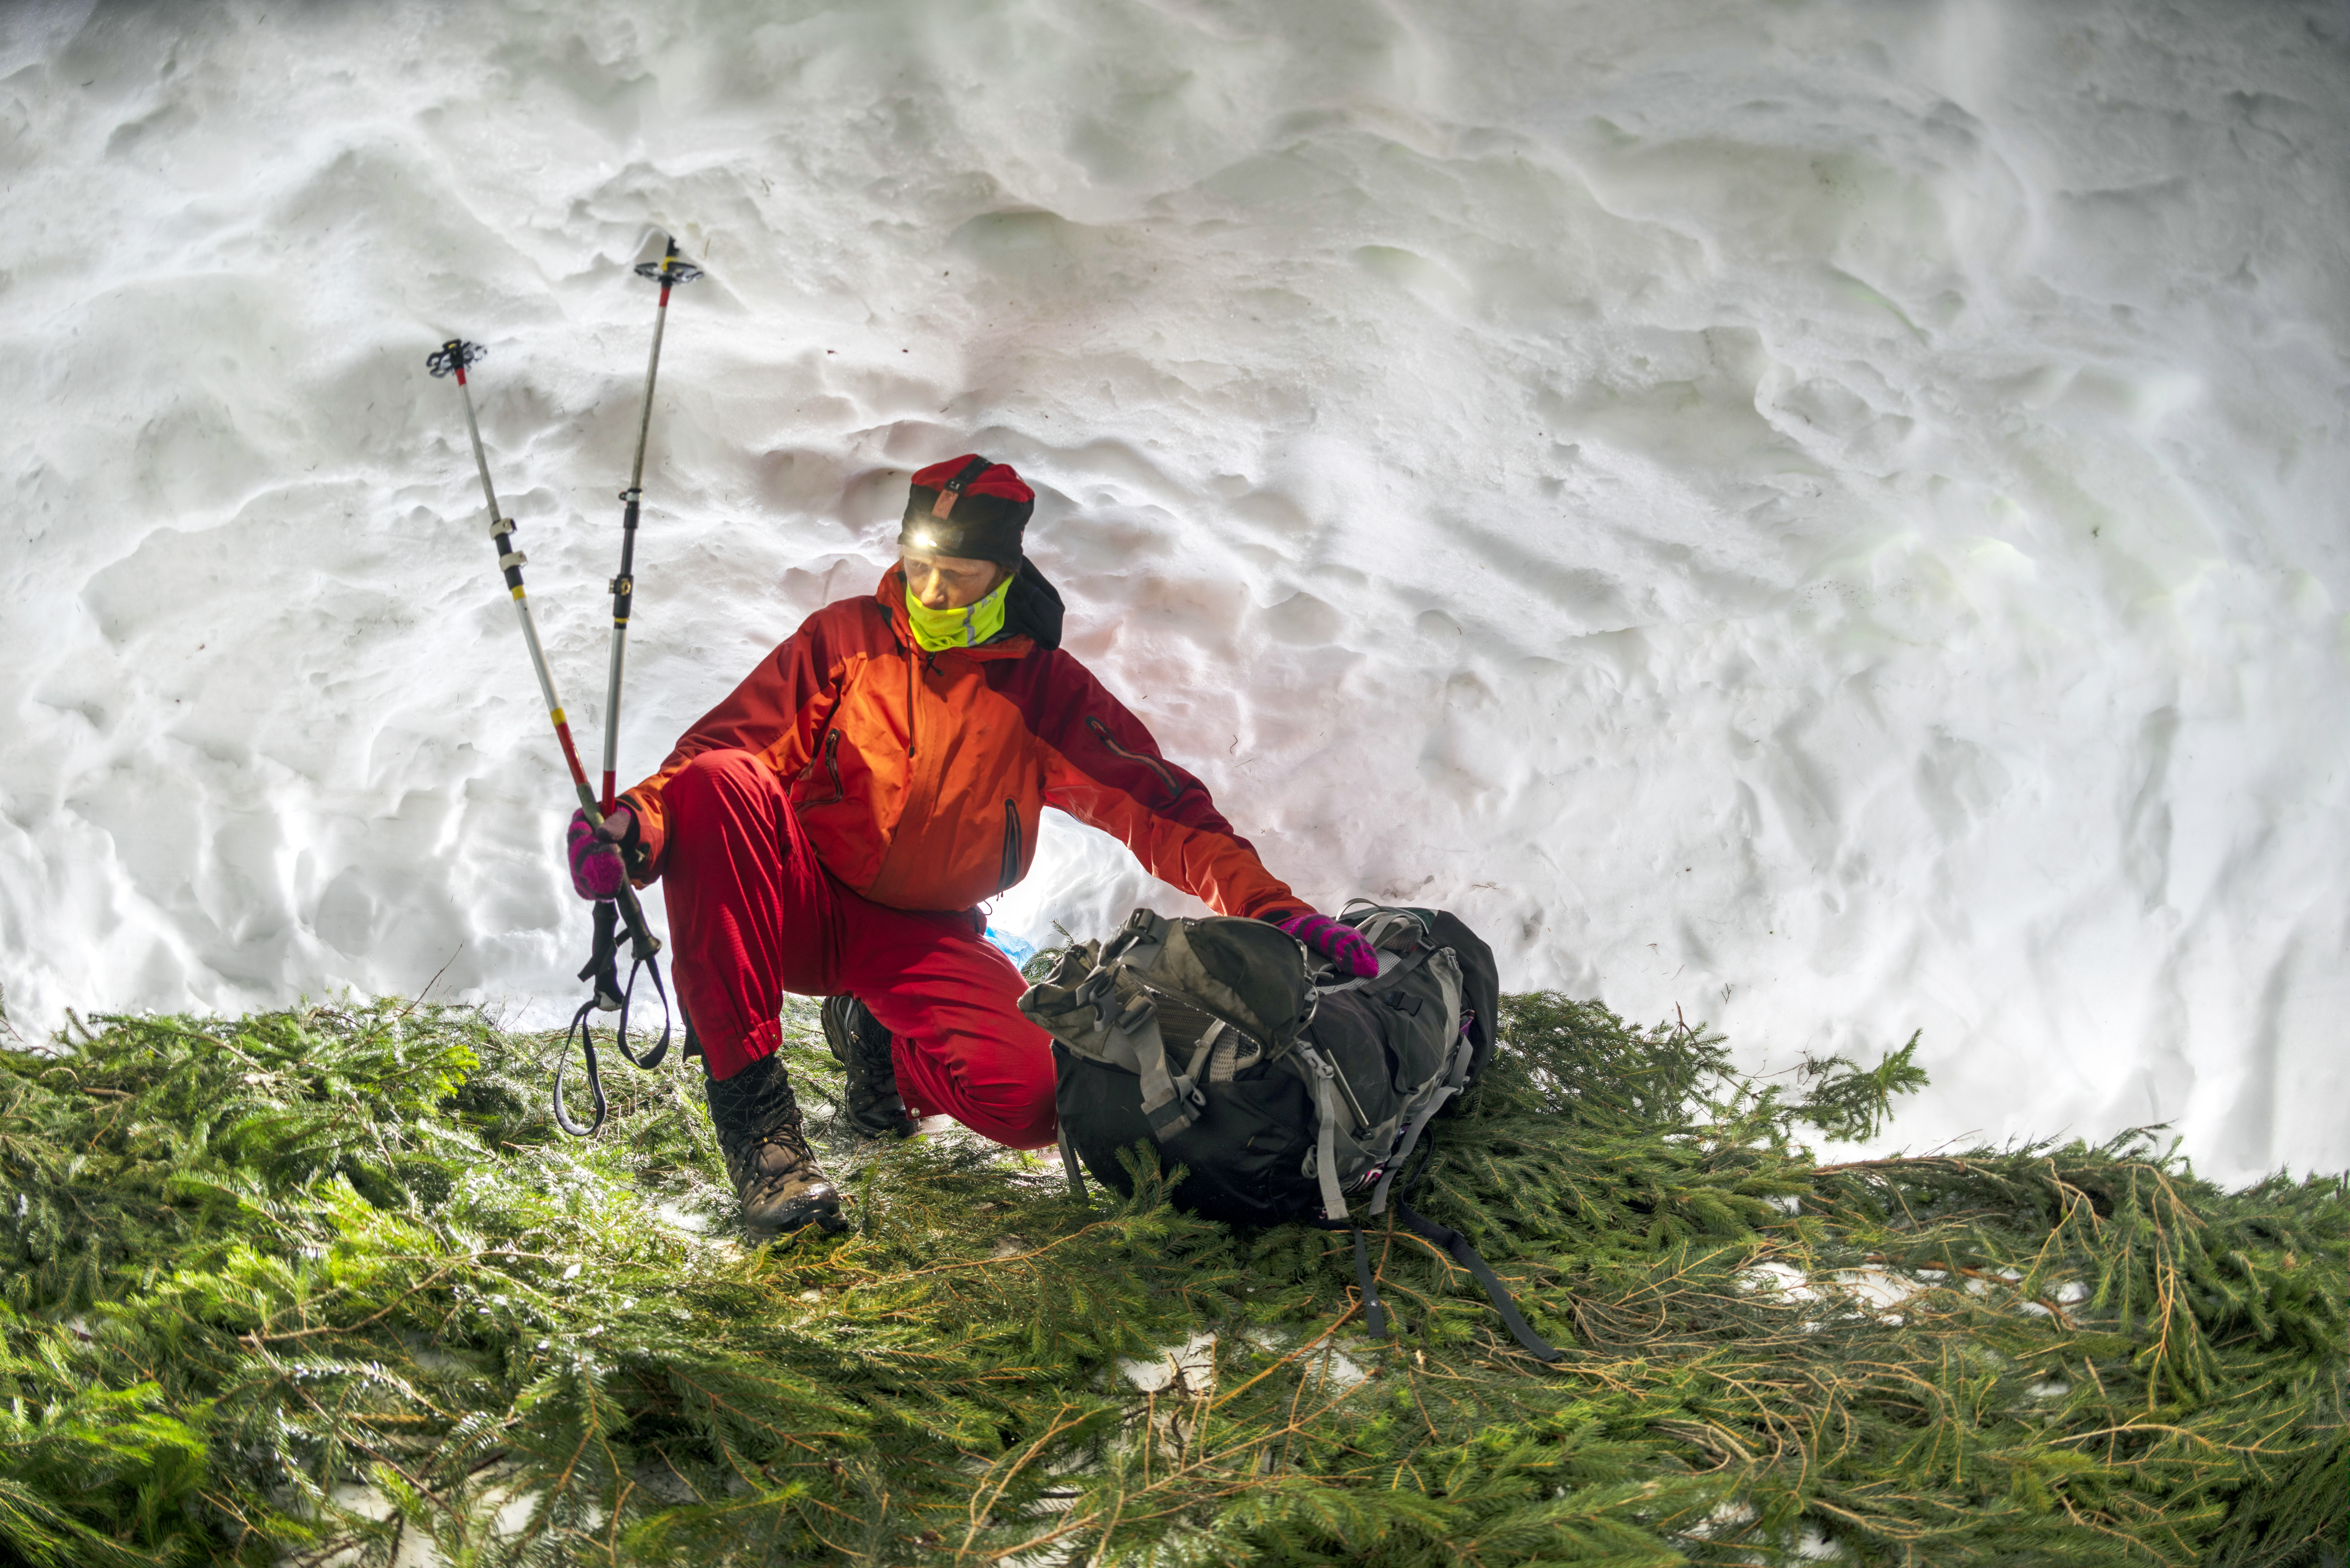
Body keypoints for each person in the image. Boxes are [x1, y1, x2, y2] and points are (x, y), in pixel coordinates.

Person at [565, 455, 1376, 1233]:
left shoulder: (1046, 691)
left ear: (1005, 572)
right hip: (800, 903)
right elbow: (726, 744)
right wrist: (636, 827)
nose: (930, 590)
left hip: (923, 935)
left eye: (957, 574)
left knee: (1029, 1099)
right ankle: (762, 1133)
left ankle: (878, 1049)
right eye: (918, 567)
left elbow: (1163, 811)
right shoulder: (847, 640)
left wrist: (1279, 912)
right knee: (718, 780)